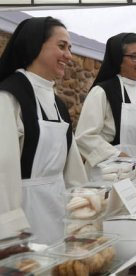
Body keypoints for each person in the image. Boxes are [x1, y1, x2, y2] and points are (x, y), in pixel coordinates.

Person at [0, 17, 87, 245]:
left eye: (70, 48)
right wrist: (9, 234)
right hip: (24, 217)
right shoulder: (8, 97)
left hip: (59, 209)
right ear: (35, 45)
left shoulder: (57, 103)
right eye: (61, 46)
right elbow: (3, 170)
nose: (69, 55)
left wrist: (82, 209)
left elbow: (72, 166)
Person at [75, 33, 136, 176]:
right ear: (118, 59)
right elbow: (84, 137)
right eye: (134, 56)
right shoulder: (101, 92)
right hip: (108, 175)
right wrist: (120, 156)